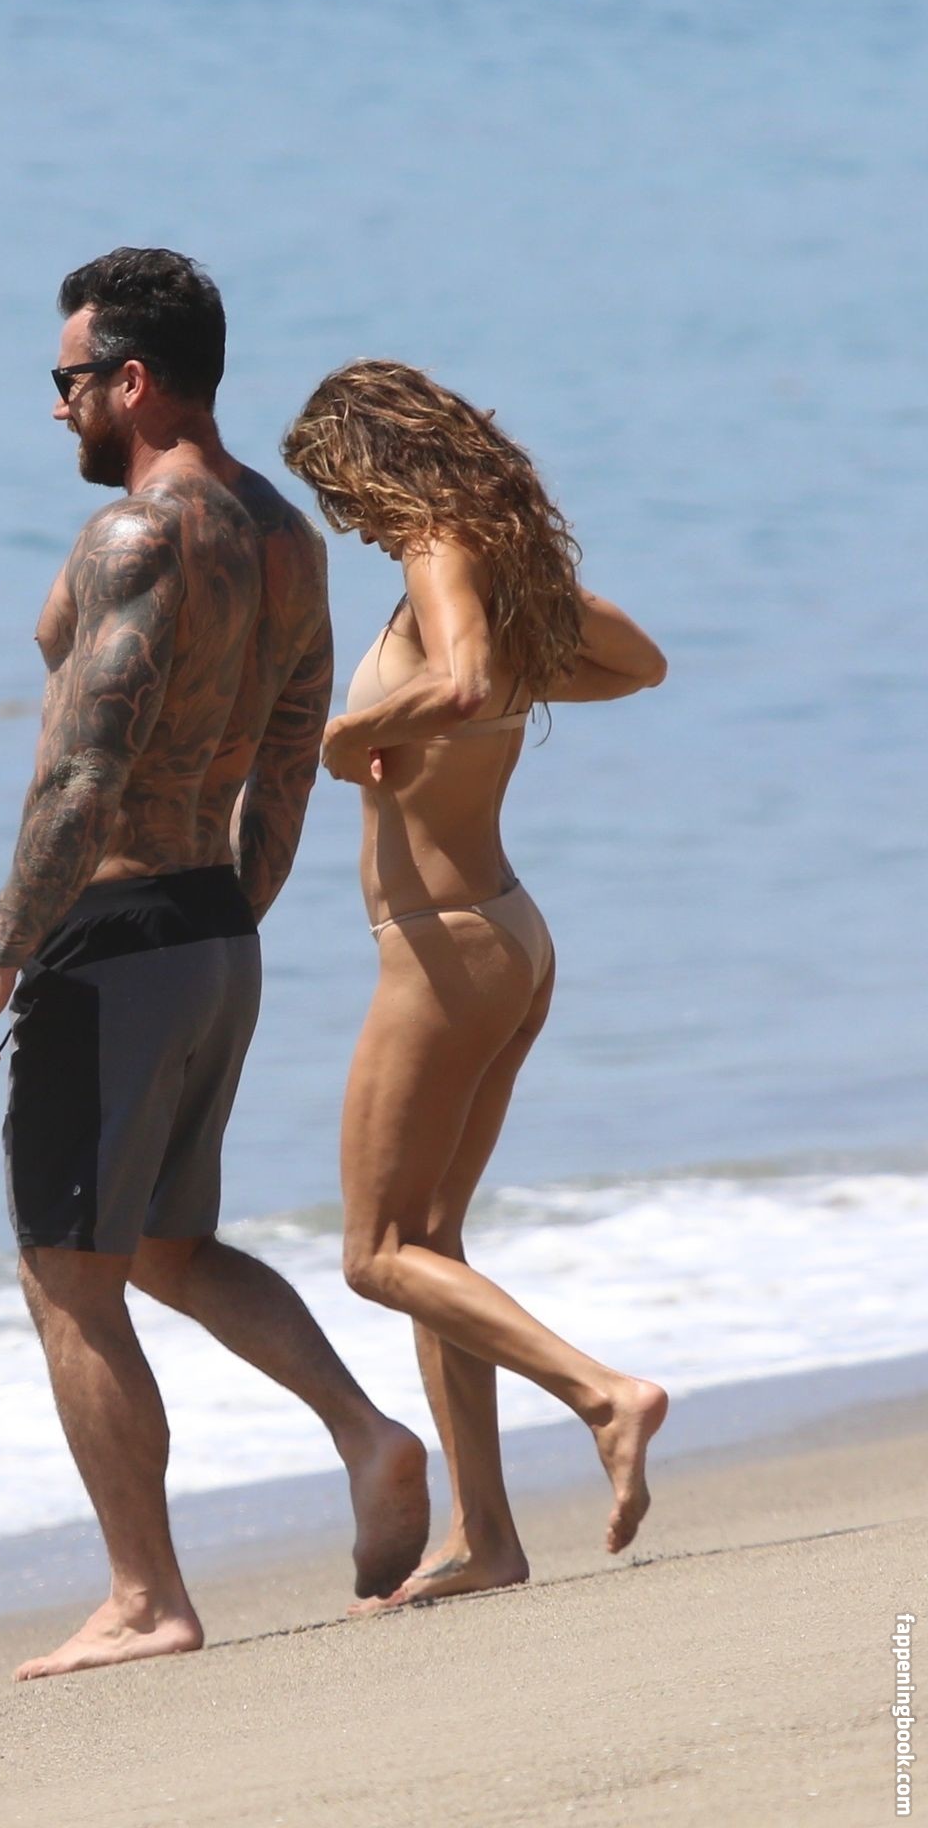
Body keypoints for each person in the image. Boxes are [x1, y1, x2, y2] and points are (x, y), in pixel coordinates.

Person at [0, 254, 427, 1677]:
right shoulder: (285, 538)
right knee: (163, 1244)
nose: (59, 408)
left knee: (67, 1277)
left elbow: (82, 774)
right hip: (212, 925)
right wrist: (227, 922)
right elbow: (290, 756)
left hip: (116, 936)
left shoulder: (134, 538)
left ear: (133, 381)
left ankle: (146, 1597)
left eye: (69, 380)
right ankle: (368, 1436)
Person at [281, 359, 670, 1607]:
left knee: (374, 1253)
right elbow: (636, 664)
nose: (347, 524)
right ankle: (486, 1537)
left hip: (443, 950)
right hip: (504, 937)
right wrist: (507, 673)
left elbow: (451, 685)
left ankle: (602, 1395)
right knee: (432, 1241)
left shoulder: (436, 551)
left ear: (371, 464)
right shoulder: (503, 572)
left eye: (339, 493)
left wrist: (352, 734)